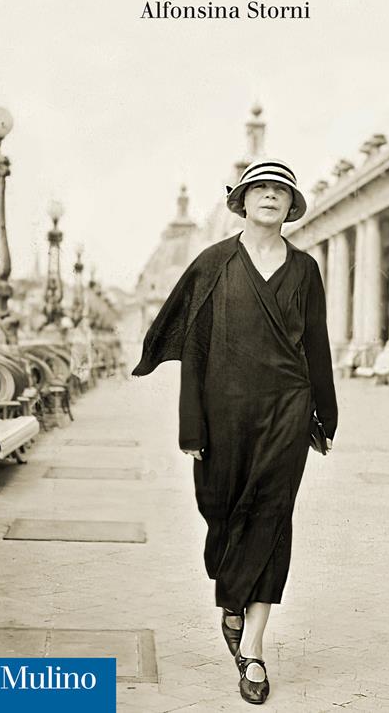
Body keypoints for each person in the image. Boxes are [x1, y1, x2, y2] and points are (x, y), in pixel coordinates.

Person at [133, 158, 338, 705]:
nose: (270, 196)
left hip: (287, 408)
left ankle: (253, 647)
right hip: (223, 412)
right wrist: (191, 427)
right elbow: (194, 351)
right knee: (223, 513)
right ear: (241, 201)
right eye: (260, 188)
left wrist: (325, 413)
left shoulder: (305, 269)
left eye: (280, 191)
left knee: (272, 515)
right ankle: (231, 597)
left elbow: (317, 345)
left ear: (290, 206)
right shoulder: (213, 263)